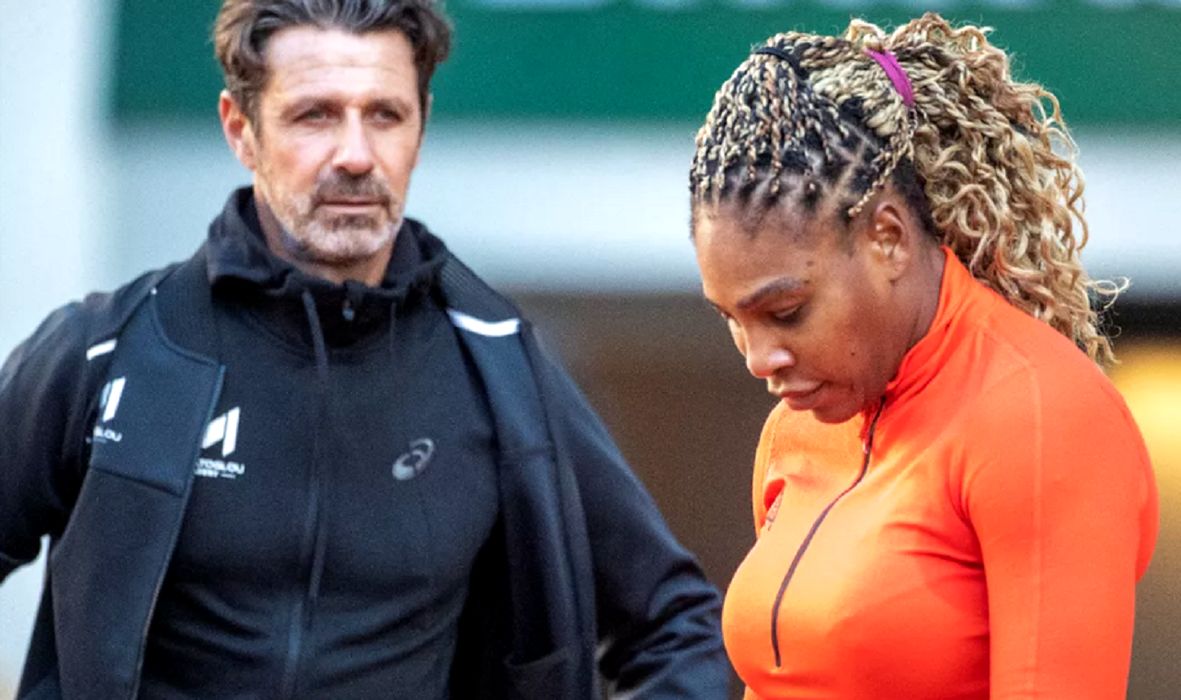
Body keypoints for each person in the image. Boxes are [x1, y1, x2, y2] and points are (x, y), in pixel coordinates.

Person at [0, 1, 729, 698]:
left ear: (421, 126)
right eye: (314, 115)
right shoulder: (111, 350)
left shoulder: (500, 372)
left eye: (384, 115)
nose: (355, 155)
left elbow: (674, 623)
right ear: (241, 129)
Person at [687, 12, 1158, 699]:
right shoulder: (795, 429)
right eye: (733, 320)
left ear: (887, 238)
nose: (760, 359)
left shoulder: (1042, 414)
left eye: (786, 312)